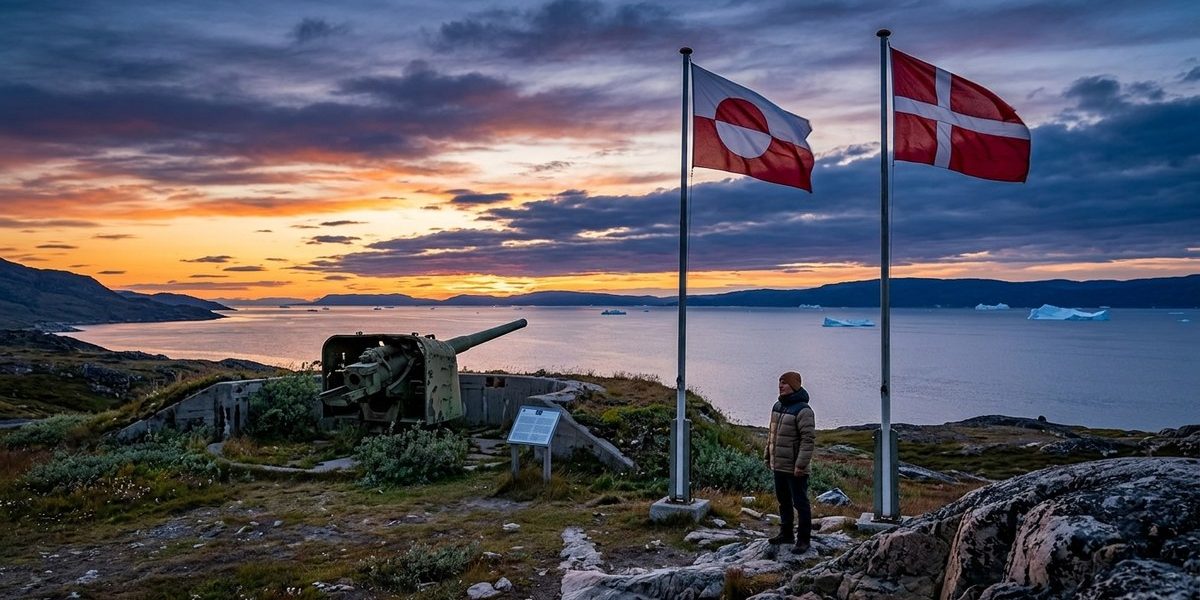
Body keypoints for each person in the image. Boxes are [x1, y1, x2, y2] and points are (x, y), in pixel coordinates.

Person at [765, 371, 814, 553]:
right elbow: (772, 435)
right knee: (783, 501)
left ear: (794, 386)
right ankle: (786, 534)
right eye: (779, 383)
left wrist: (800, 465)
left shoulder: (804, 411)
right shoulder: (778, 406)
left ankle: (803, 540)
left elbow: (808, 440)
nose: (780, 386)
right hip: (779, 465)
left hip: (795, 468)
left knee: (800, 503)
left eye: (784, 383)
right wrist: (768, 455)